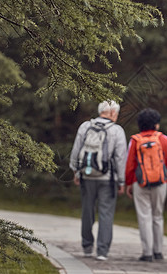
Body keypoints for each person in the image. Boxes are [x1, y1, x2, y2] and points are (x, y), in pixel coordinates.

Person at [69, 100, 127, 261]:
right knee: (106, 213)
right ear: (113, 113)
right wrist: (121, 181)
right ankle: (102, 251)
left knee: (87, 210)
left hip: (87, 176)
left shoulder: (85, 126)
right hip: (107, 179)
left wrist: (76, 171)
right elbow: (121, 158)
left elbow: (76, 150)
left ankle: (87, 247)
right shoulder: (117, 130)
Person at [125, 108, 167, 262]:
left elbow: (130, 165)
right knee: (157, 216)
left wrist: (129, 182)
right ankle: (158, 251)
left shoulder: (135, 140)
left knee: (144, 216)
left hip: (139, 183)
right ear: (156, 124)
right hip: (161, 182)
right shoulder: (163, 139)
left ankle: (147, 252)